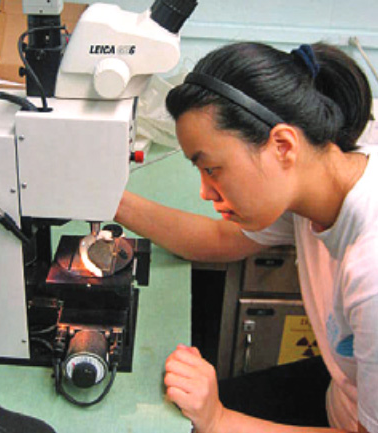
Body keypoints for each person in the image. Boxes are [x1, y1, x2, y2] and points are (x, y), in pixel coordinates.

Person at [115, 41, 377, 433]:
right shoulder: (318, 181)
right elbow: (219, 239)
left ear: (282, 146)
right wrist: (108, 199)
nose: (205, 191)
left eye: (213, 169)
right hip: (340, 395)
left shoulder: (371, 272)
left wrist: (219, 419)